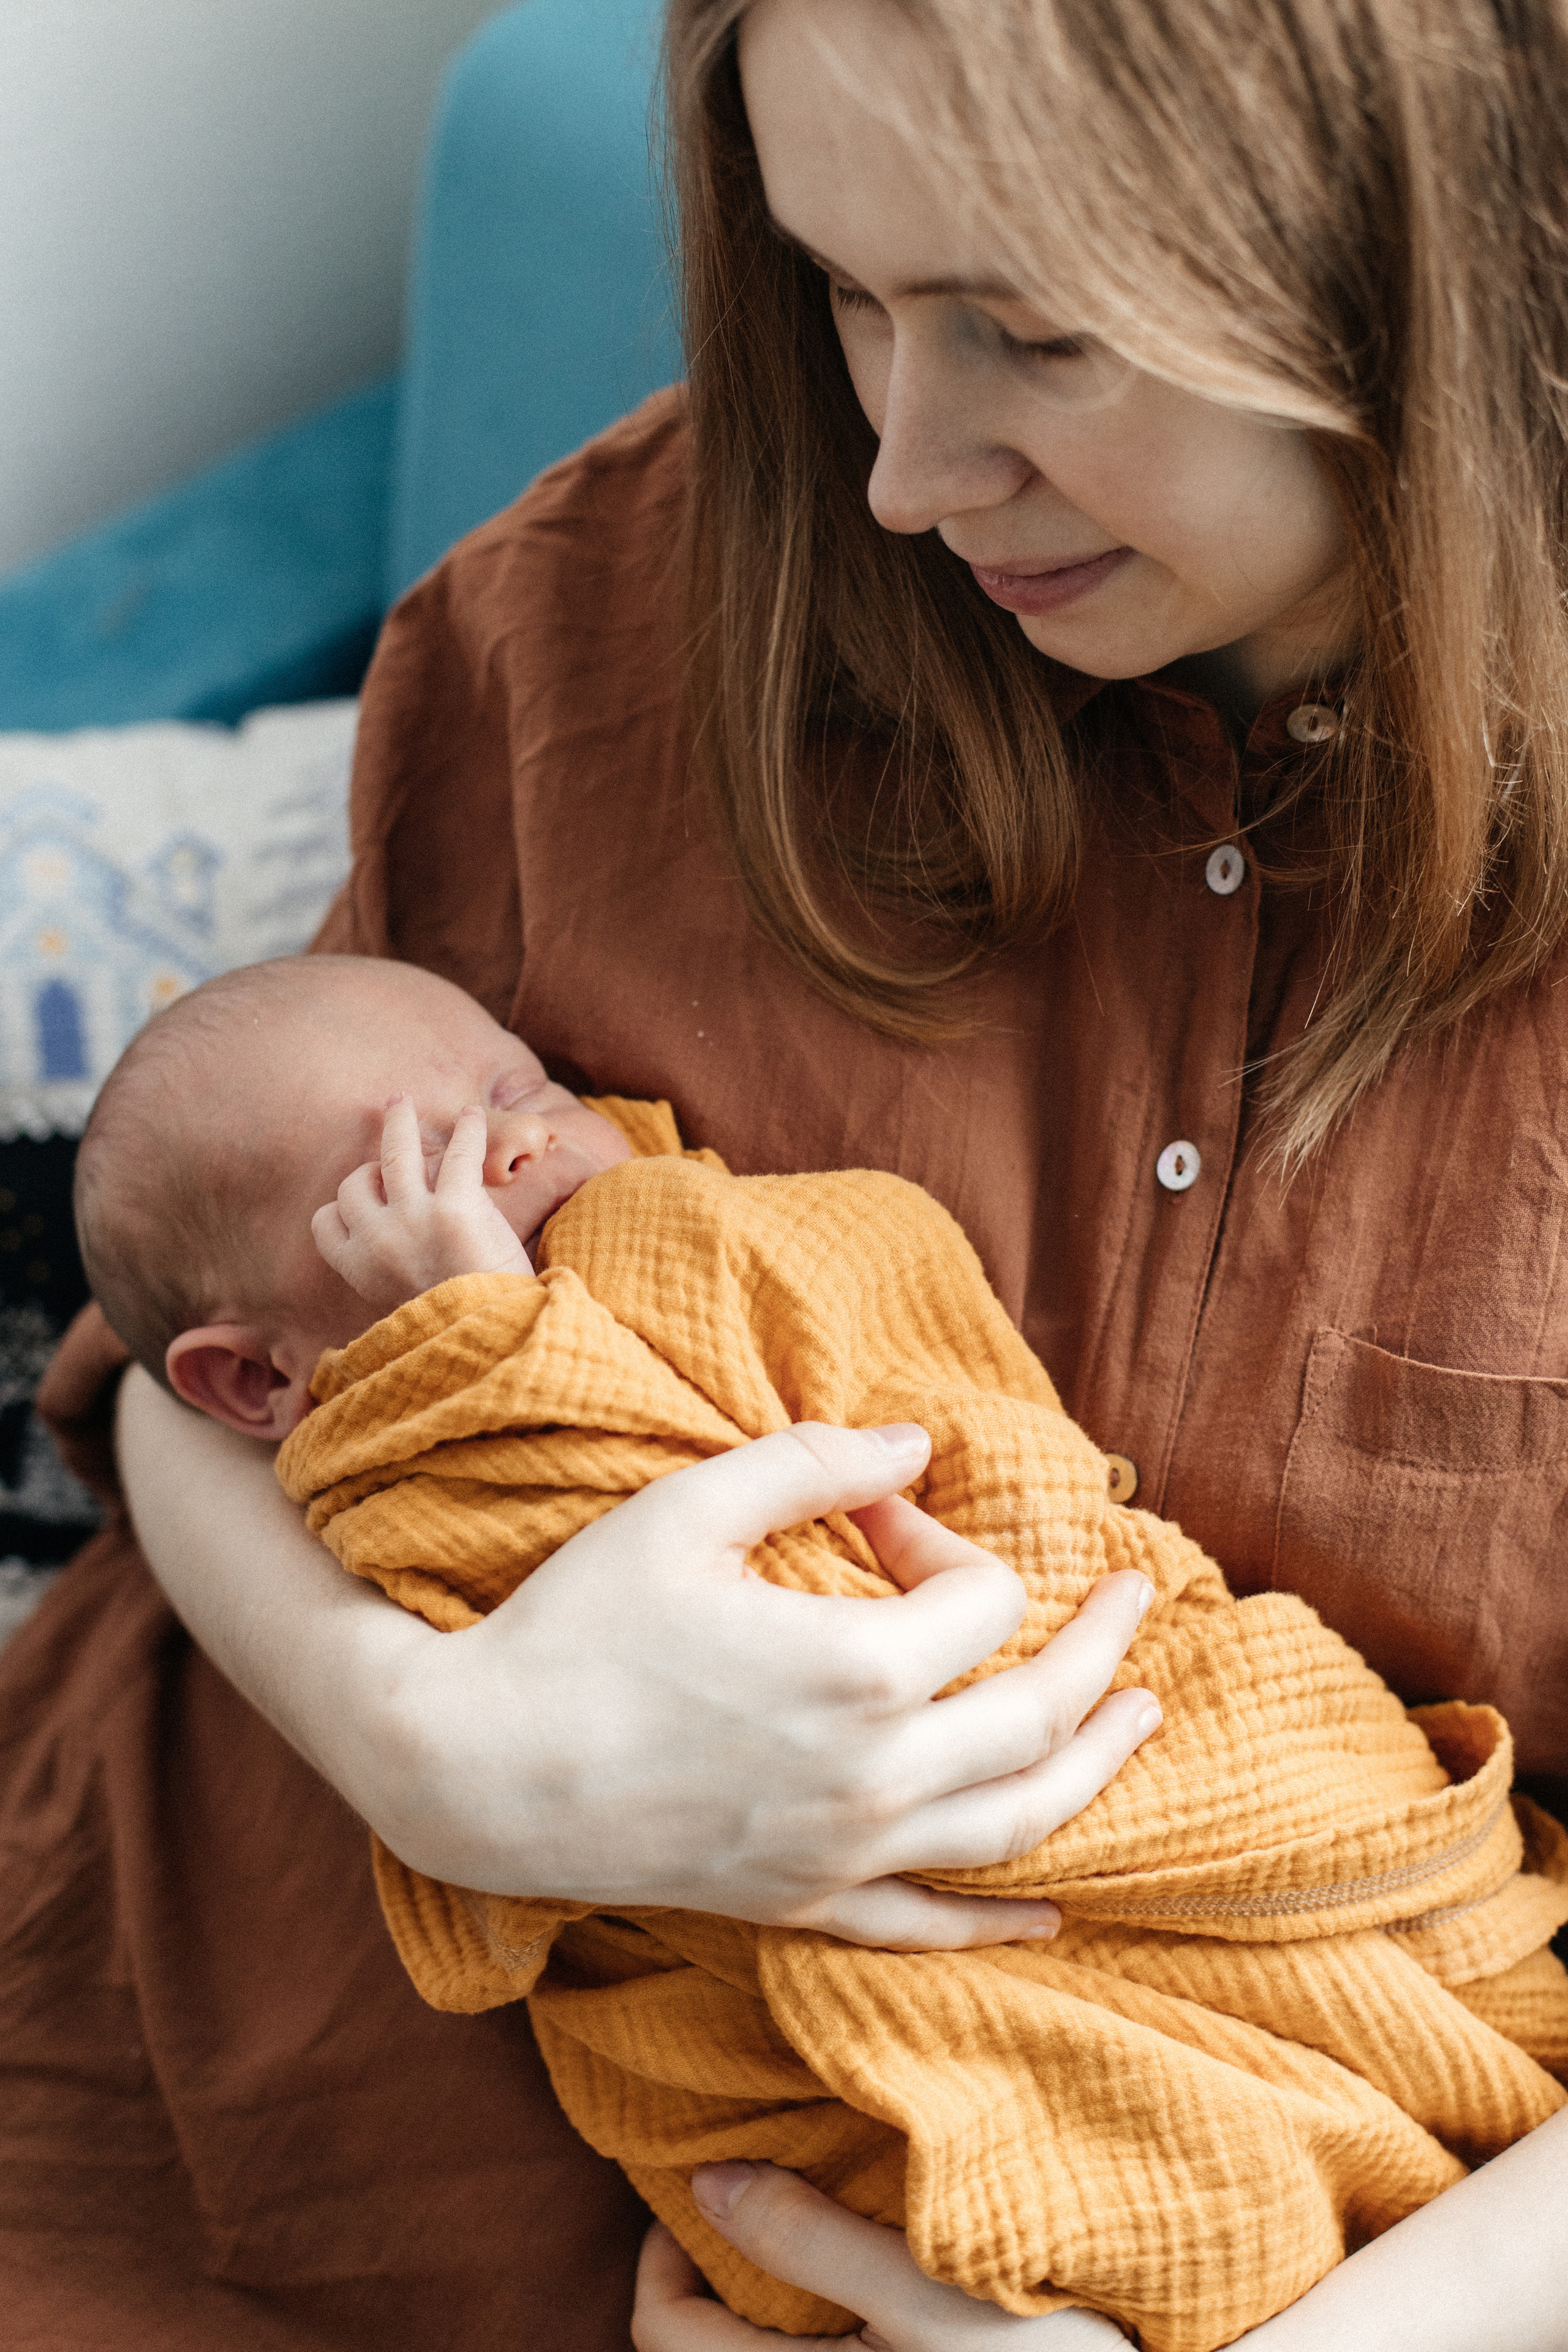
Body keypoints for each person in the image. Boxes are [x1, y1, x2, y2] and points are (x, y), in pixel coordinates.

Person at [4, 0, 1567, 2343]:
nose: (898, 477)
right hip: (198, 2074)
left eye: (1033, 332)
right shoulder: (609, 602)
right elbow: (197, 1352)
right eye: (840, 288)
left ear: (1418, 261)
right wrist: (437, 1752)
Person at [71, 950, 1568, 2348]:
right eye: (410, 1169)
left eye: (523, 1091)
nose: (513, 1149)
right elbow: (155, 1382)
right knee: (1147, 2180)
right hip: (214, 2116)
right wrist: (417, 1729)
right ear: (262, 1376)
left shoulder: (679, 1215)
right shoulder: (388, 1406)